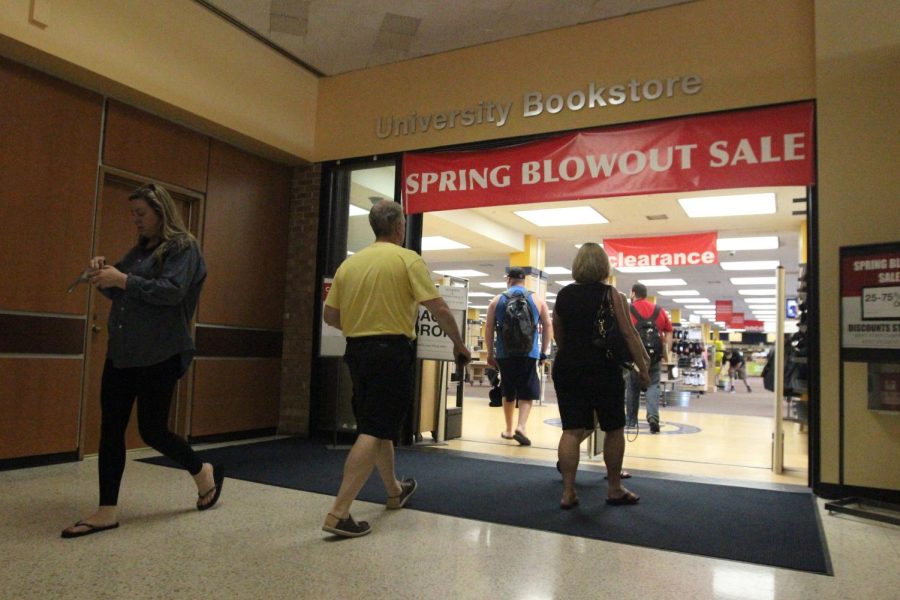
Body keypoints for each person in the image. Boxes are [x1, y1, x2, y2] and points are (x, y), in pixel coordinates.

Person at [61, 183, 220, 539]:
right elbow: (119, 286)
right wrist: (100, 275)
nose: (136, 220)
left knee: (153, 430)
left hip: (160, 353)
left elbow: (171, 291)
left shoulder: (184, 247)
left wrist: (123, 278)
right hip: (123, 352)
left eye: (141, 214)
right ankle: (107, 510)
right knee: (111, 429)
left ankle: (202, 471)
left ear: (161, 211)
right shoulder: (139, 250)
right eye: (133, 214)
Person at [322, 200, 470, 538]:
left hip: (357, 351)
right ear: (399, 227)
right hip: (391, 352)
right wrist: (458, 344)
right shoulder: (407, 260)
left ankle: (394, 490)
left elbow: (330, 317)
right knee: (374, 429)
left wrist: (360, 323)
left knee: (377, 423)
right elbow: (439, 307)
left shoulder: (350, 264)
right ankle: (338, 512)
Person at [552, 243, 650, 509]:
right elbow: (629, 334)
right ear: (604, 267)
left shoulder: (562, 296)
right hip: (603, 368)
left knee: (571, 430)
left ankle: (568, 493)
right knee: (613, 428)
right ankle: (614, 489)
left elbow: (558, 335)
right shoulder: (613, 295)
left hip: (568, 366)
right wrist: (643, 367)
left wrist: (573, 351)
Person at [484, 267, 552, 446]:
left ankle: (508, 429)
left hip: (505, 353)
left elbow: (489, 328)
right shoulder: (536, 299)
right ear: (524, 280)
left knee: (508, 388)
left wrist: (490, 353)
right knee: (527, 390)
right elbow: (547, 326)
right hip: (529, 353)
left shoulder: (497, 301)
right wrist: (544, 352)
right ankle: (521, 426)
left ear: (508, 280)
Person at [624, 283, 673, 433]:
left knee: (632, 387)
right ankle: (653, 416)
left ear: (633, 294)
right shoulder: (659, 310)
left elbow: (624, 332)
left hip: (635, 357)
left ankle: (631, 420)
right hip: (654, 357)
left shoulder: (628, 309)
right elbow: (669, 332)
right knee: (653, 385)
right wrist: (666, 352)